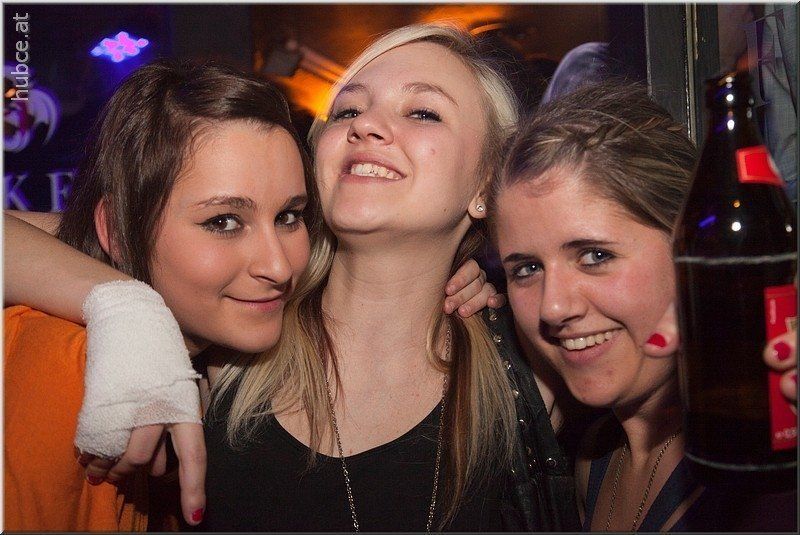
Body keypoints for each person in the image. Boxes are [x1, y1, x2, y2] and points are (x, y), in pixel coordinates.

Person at [4, 38, 507, 531]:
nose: (277, 267)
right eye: (348, 110)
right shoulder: (216, 351)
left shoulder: (522, 364)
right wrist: (128, 310)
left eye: (423, 112)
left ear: (489, 180)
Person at [3, 60, 316, 530]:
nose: (278, 267)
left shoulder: (219, 357)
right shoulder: (70, 368)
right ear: (118, 232)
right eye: (223, 221)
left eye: (289, 216)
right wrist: (129, 310)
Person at [490, 81, 797, 531]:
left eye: (596, 255)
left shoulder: (768, 468)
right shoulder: (592, 459)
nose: (552, 307)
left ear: (692, 248)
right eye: (527, 269)